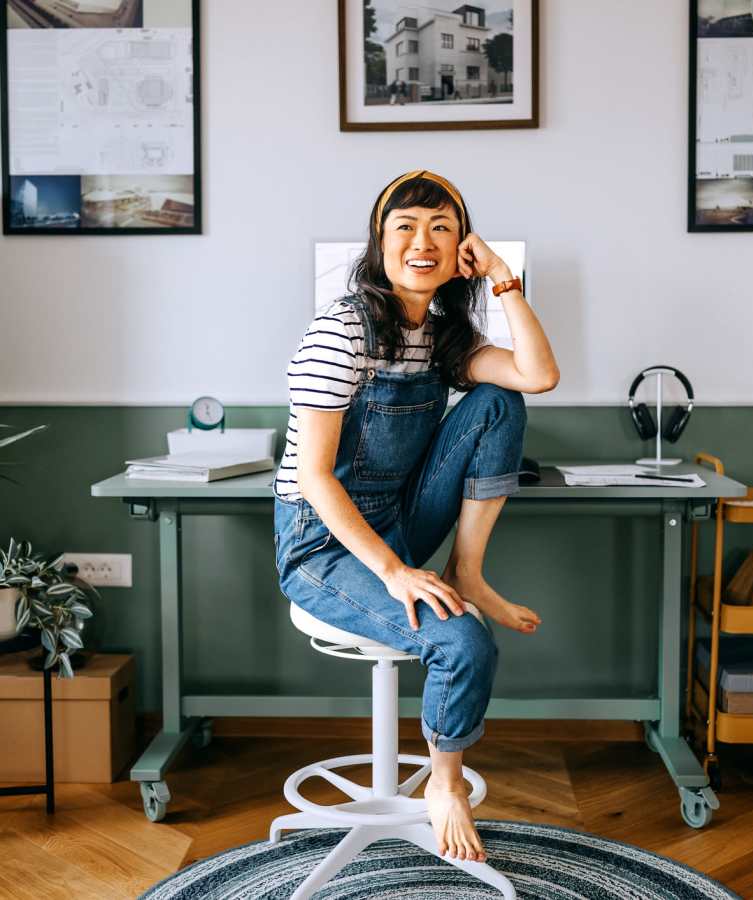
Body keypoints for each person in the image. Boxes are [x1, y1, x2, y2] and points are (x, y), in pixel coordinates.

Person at [273, 170, 559, 864]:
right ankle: (446, 785)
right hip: (324, 546)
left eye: (442, 228)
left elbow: (537, 375)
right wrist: (395, 570)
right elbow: (314, 477)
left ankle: (468, 569)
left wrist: (503, 278)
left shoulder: (443, 335)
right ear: (380, 243)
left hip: (401, 518)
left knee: (500, 403)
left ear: (463, 246)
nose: (422, 241)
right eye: (405, 226)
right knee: (464, 642)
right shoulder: (339, 331)